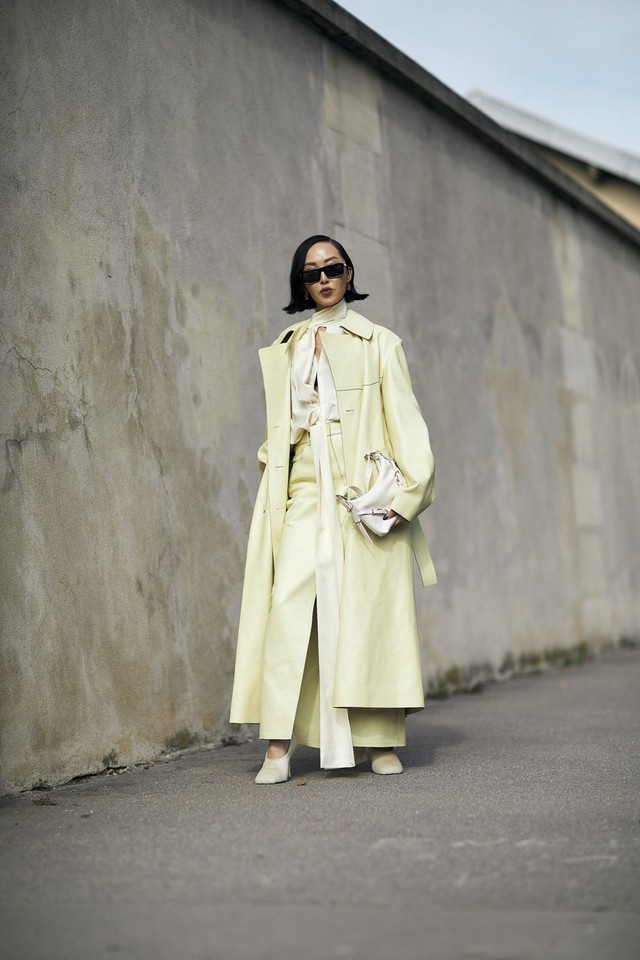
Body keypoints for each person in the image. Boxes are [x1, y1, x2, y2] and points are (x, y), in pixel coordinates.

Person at [229, 235, 436, 783]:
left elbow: (408, 426)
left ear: (348, 274)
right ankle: (278, 745)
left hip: (359, 493)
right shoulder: (287, 344)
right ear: (301, 283)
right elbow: (280, 429)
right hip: (302, 490)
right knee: (290, 607)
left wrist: (404, 499)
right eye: (312, 272)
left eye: (334, 269)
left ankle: (380, 739)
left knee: (367, 616)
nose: (323, 279)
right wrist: (272, 467)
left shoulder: (379, 343)